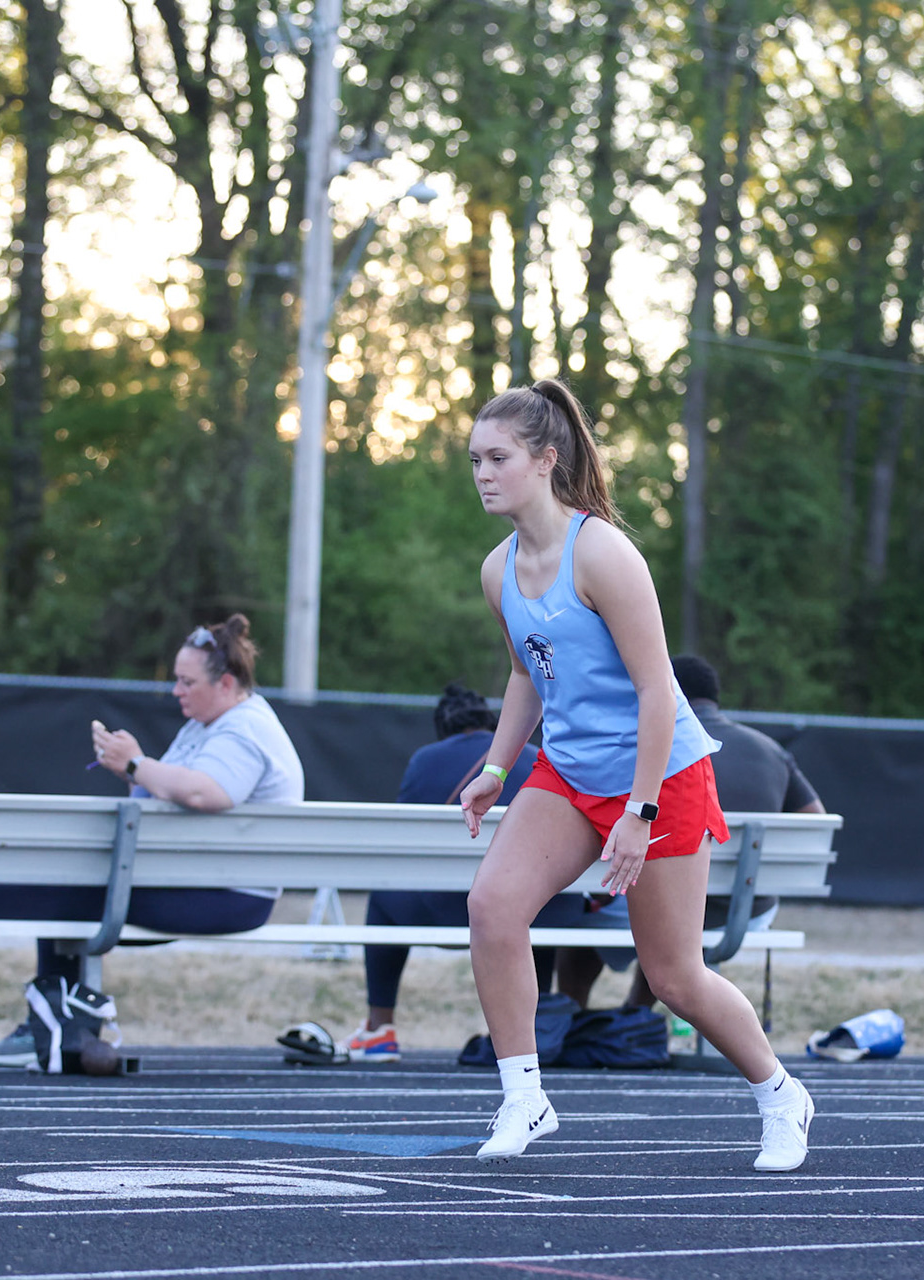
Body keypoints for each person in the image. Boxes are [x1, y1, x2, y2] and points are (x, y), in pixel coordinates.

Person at [458, 379, 812, 1170]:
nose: (482, 473)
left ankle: (780, 1093)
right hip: (570, 772)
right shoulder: (497, 569)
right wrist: (496, 767)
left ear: (546, 460)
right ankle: (524, 1097)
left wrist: (639, 813)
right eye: (475, 459)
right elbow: (524, 675)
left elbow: (658, 689)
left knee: (674, 977)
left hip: (661, 777)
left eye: (498, 458)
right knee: (492, 907)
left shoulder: (604, 554)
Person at [0, 614, 305, 1066]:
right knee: (68, 886)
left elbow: (207, 793)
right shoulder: (211, 724)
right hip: (195, 881)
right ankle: (57, 1028)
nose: (176, 691)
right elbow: (162, 796)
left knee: (67, 892)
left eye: (187, 682)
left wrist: (137, 764)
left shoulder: (244, 728)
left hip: (228, 896)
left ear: (225, 683)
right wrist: (132, 770)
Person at [555, 653, 826, 1009]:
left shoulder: (645, 745)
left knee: (589, 919)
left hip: (666, 905)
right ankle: (635, 1016)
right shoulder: (770, 750)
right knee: (662, 915)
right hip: (747, 910)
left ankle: (571, 1014)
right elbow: (815, 820)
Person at [344, 681, 597, 1063]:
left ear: (442, 728)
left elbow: (406, 840)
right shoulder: (537, 758)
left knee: (382, 899)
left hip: (446, 909)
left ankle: (380, 1026)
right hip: (536, 909)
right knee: (537, 903)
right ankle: (537, 1024)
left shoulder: (425, 760)